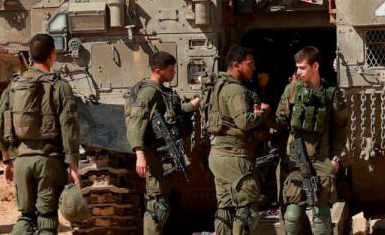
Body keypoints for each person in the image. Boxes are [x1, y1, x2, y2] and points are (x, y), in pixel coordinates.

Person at [0, 33, 81, 235]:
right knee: (47, 218)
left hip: (21, 161)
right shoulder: (60, 86)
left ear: (30, 56)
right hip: (49, 162)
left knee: (26, 217)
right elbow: (69, 126)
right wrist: (73, 164)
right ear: (53, 54)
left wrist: (6, 162)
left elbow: (0, 124)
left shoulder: (14, 86)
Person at [274, 47, 349, 235]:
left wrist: (336, 159)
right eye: (297, 68)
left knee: (321, 213)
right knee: (292, 214)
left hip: (321, 158)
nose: (298, 72)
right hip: (296, 158)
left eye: (302, 68)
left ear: (315, 66)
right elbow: (279, 122)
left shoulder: (332, 94)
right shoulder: (292, 90)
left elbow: (341, 129)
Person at [125, 52, 199, 235]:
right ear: (158, 70)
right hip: (154, 156)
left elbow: (173, 112)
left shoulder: (162, 91)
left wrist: (192, 106)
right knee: (157, 205)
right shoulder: (149, 92)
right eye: (170, 70)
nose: (174, 73)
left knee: (163, 202)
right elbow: (136, 122)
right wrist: (140, 155)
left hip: (163, 157)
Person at [207, 46, 269, 235]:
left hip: (217, 154)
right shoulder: (235, 89)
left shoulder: (219, 86)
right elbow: (244, 121)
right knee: (247, 207)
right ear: (236, 65)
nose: (254, 67)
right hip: (235, 156)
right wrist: (262, 113)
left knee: (225, 208)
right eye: (249, 64)